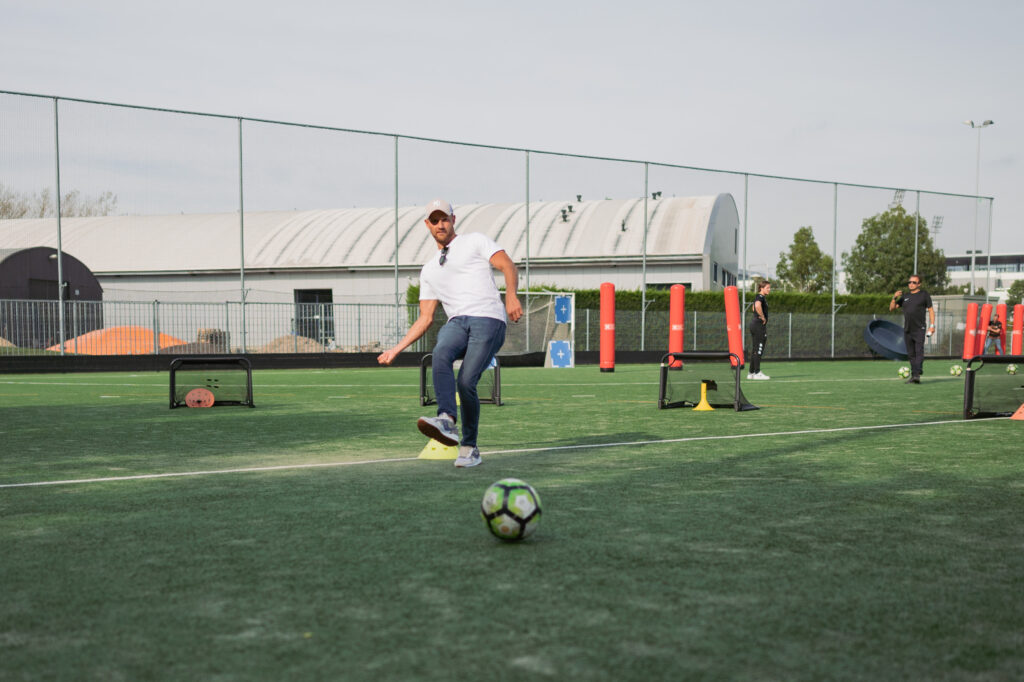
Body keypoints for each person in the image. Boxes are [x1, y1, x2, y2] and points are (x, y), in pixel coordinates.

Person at [377, 199, 522, 468]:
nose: (440, 224)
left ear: (453, 220)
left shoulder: (475, 241)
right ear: (427, 225)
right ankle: (446, 419)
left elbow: (508, 265)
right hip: (457, 322)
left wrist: (511, 296)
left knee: (466, 382)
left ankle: (469, 447)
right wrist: (397, 348)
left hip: (488, 318)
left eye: (444, 218)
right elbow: (426, 318)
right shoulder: (429, 269)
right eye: (435, 220)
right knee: (441, 351)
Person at [889, 274, 935, 384]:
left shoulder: (924, 295)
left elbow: (931, 310)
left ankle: (917, 370)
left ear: (919, 284)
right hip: (908, 329)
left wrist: (932, 326)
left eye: (914, 282)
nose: (911, 284)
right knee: (911, 354)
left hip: (920, 328)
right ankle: (915, 376)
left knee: (919, 351)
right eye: (909, 282)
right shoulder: (904, 297)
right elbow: (891, 308)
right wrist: (894, 298)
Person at [747, 280, 771, 380]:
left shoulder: (760, 297)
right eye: (767, 288)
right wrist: (762, 317)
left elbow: (753, 308)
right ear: (761, 288)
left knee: (755, 349)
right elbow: (756, 306)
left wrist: (758, 314)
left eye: (769, 288)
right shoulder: (760, 297)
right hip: (758, 325)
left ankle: (751, 373)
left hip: (755, 324)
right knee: (758, 349)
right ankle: (757, 372)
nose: (769, 290)